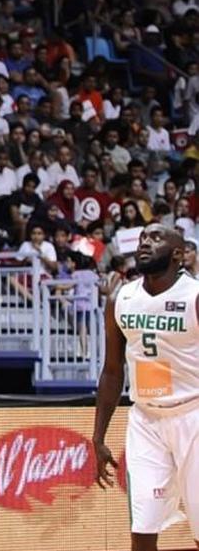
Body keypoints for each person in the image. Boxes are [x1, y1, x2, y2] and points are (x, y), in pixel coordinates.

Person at [94, 224, 199, 551]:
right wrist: (98, 437)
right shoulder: (120, 297)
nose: (145, 244)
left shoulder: (194, 297)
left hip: (193, 415)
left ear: (178, 254)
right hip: (145, 420)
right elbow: (112, 371)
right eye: (142, 238)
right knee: (142, 530)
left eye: (156, 239)